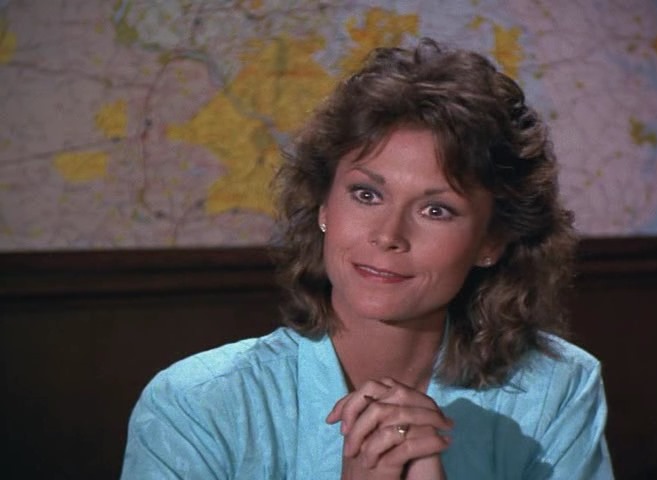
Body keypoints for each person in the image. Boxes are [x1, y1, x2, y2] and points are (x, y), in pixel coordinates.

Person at [121, 38, 614, 479]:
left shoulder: (557, 390)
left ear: (492, 241)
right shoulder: (196, 407)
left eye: (436, 210)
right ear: (323, 206)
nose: (388, 236)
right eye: (366, 195)